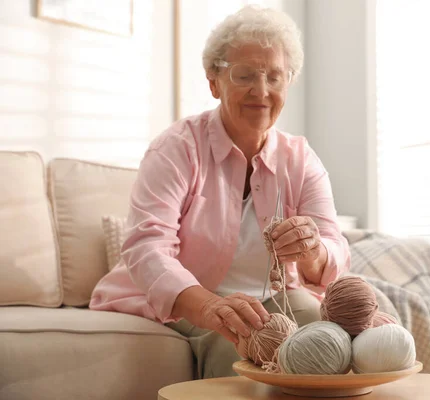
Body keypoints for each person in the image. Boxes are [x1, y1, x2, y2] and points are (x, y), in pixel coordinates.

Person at [89, 5, 351, 379]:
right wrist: (212, 307)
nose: (261, 91)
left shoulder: (300, 158)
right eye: (245, 75)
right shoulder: (177, 148)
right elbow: (146, 246)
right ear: (214, 81)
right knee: (238, 336)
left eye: (275, 77)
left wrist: (312, 253)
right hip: (192, 297)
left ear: (287, 83)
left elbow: (333, 245)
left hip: (274, 298)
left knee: (329, 335)